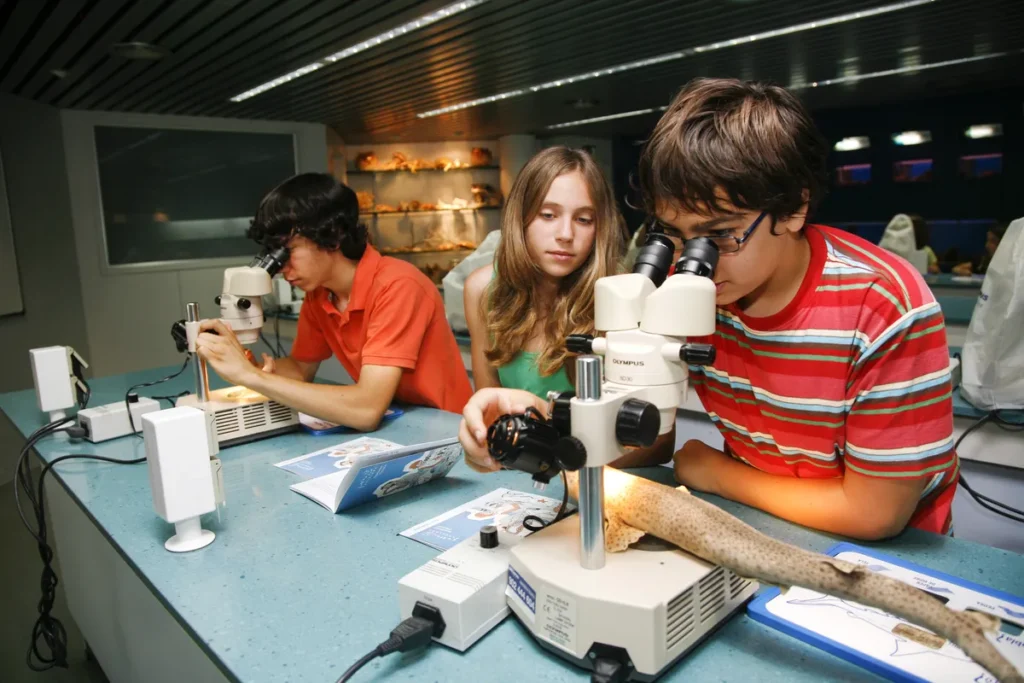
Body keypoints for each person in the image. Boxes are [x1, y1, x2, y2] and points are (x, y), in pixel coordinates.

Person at [460, 78, 959, 541]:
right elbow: (638, 433)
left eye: (721, 235)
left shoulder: (883, 305)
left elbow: (877, 513)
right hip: (757, 520)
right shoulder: (688, 294)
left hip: (886, 550)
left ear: (792, 209)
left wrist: (713, 470)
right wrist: (537, 424)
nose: (693, 262)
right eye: (674, 236)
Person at [195, 173, 473, 431]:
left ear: (332, 236)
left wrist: (251, 377)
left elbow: (366, 410)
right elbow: (301, 369)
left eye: (287, 250)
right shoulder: (319, 295)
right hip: (399, 425)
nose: (280, 267)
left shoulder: (397, 285)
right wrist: (245, 364)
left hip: (446, 429)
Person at [463, 146, 626, 398]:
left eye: (583, 219)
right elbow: (488, 408)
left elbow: (652, 433)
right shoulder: (482, 289)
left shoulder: (620, 297)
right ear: (521, 218)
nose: (565, 234)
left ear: (600, 228)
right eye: (548, 215)